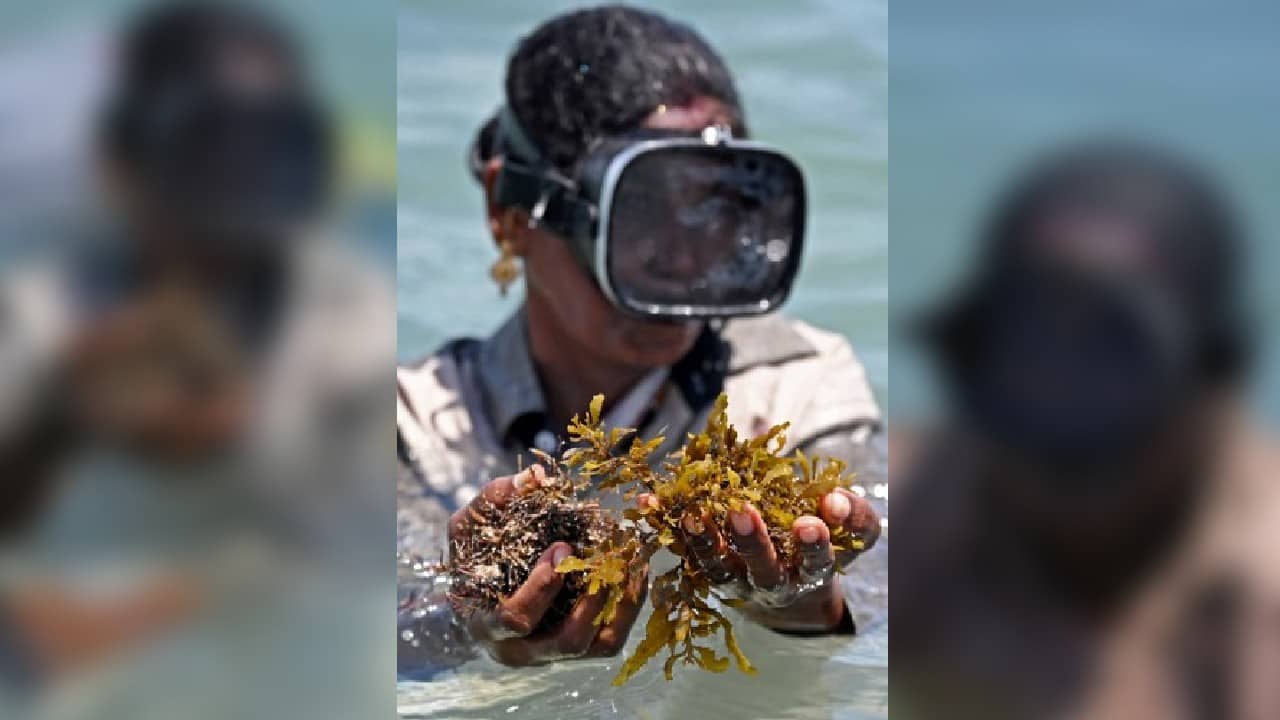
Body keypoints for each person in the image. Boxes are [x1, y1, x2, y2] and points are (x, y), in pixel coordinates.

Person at [397, 4, 884, 673]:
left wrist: (810, 612)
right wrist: (466, 624)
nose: (686, 261)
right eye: (642, 210)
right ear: (509, 214)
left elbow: (887, 609)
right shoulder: (416, 425)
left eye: (715, 211)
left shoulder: (801, 386)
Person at [0, 1, 392, 694]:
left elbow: (360, 567)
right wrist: (54, 426)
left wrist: (231, 441)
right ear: (121, 163)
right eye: (208, 156)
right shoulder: (38, 314)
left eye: (266, 155)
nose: (236, 197)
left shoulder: (350, 327)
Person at [891, 141, 1280, 719]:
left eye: (1109, 359)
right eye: (1029, 351)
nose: (1058, 399)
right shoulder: (912, 514)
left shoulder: (1254, 611)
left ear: (1213, 378)